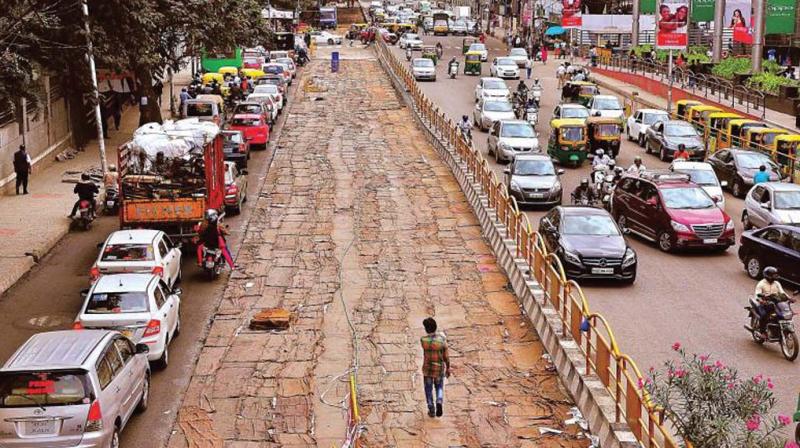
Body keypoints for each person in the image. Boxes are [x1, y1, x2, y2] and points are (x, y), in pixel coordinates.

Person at [420, 317, 450, 418]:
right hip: (439, 369)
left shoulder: (423, 340)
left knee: (428, 389)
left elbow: (429, 342)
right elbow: (446, 357)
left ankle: (431, 409)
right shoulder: (442, 341)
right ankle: (439, 401)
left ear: (426, 329)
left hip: (427, 369)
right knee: (439, 387)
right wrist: (448, 368)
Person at [753, 266, 794, 337]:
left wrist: (789, 298)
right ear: (768, 276)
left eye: (776, 275)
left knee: (782, 313)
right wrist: (761, 301)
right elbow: (757, 295)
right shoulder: (761, 284)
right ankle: (762, 332)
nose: (775, 276)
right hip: (763, 304)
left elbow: (782, 293)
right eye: (774, 275)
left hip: (774, 302)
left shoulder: (776, 283)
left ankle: (777, 329)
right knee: (764, 315)